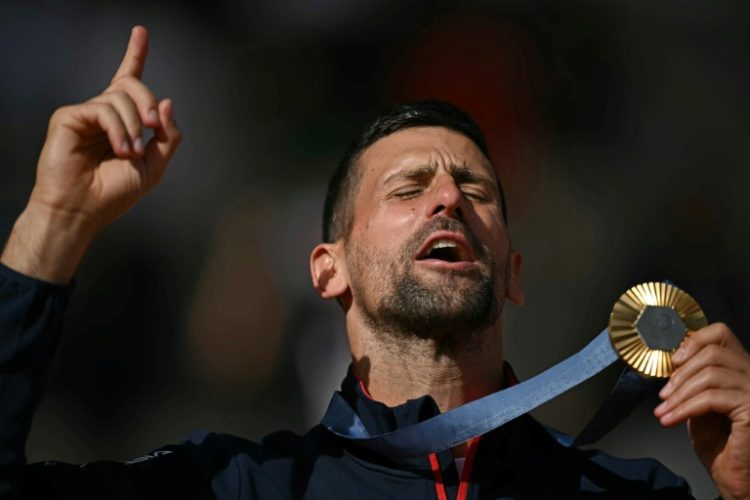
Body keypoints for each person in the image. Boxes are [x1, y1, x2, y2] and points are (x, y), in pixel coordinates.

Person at [1, 26, 749, 500]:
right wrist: (53, 223)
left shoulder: (629, 492)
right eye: (408, 187)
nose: (448, 199)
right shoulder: (230, 487)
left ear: (514, 273)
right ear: (328, 269)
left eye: (476, 189)